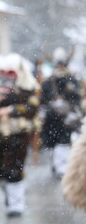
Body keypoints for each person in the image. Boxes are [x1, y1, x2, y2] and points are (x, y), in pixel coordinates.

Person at [0, 53, 39, 218]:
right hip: (0, 133)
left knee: (14, 170)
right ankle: (11, 196)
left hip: (19, 134)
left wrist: (11, 110)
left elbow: (32, 108)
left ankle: (16, 204)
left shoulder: (28, 87)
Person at [40, 48, 82, 178]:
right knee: (51, 144)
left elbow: (77, 98)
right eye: (58, 64)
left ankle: (61, 168)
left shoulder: (71, 80)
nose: (60, 67)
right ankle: (56, 166)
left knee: (63, 143)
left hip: (65, 118)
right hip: (51, 118)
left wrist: (69, 104)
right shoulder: (48, 81)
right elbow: (43, 99)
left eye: (62, 64)